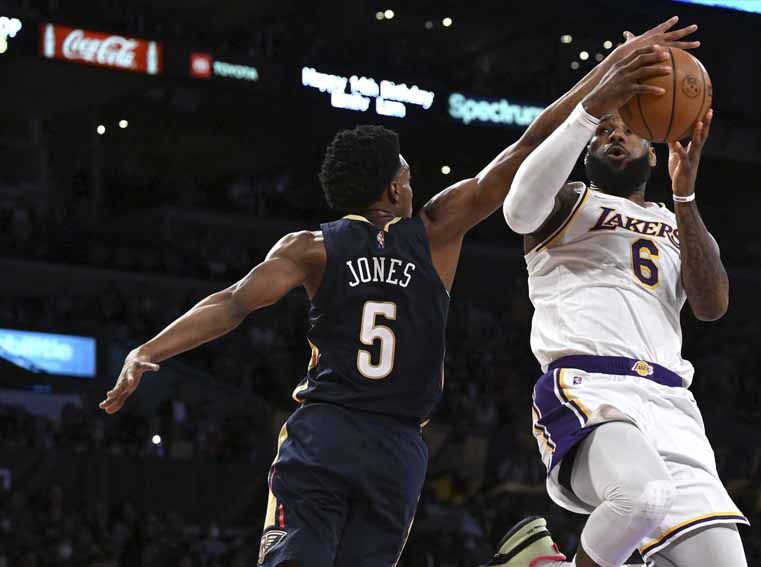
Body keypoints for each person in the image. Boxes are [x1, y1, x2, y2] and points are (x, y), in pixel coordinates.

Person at [98, 18, 698, 567]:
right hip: (395, 444)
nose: (414, 176)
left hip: (326, 433)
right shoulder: (436, 231)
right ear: (391, 189)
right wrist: (603, 80)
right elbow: (522, 150)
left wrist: (149, 350)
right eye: (407, 171)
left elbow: (229, 303)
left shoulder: (309, 247)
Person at [488, 40, 747, 567]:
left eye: (627, 129)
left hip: (673, 403)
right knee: (642, 497)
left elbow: (712, 304)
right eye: (606, 131)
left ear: (653, 149)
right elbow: (516, 210)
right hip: (591, 384)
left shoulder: (678, 222)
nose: (615, 135)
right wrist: (591, 108)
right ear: (587, 149)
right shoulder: (567, 202)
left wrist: (686, 195)